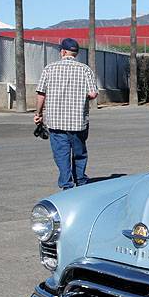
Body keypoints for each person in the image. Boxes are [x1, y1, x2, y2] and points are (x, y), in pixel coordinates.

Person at [34, 38, 98, 190]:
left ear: (62, 51)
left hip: (56, 121)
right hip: (78, 121)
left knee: (61, 154)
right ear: (75, 53)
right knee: (79, 153)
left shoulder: (49, 69)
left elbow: (41, 94)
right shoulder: (85, 69)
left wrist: (38, 113)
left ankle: (66, 184)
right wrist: (82, 97)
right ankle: (81, 181)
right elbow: (93, 94)